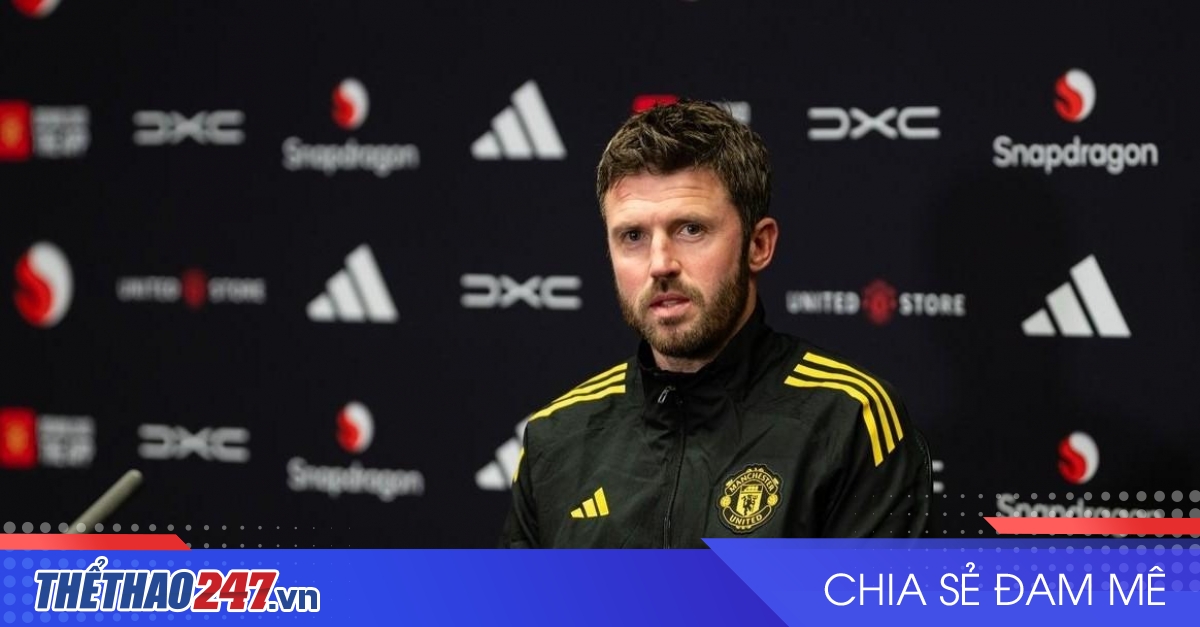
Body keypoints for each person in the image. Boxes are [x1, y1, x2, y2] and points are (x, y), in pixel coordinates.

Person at [500, 100, 931, 548]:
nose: (660, 264)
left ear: (758, 245)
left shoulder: (848, 420)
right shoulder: (556, 437)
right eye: (633, 236)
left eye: (691, 229)